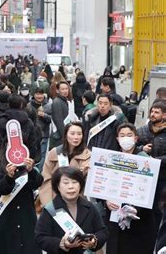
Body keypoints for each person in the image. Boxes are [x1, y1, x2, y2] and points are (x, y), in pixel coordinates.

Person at [105, 123, 155, 254]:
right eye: (122, 135)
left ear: (136, 138)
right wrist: (106, 201)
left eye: (129, 135)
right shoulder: (112, 158)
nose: (125, 138)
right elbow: (101, 186)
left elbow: (150, 190)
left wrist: (135, 208)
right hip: (114, 215)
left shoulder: (145, 160)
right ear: (117, 139)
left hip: (139, 220)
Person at [35, 167, 108, 254]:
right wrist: (62, 243)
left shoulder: (89, 207)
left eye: (75, 182)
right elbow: (40, 237)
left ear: (80, 185)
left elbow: (102, 231)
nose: (71, 186)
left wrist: (94, 241)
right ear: (58, 186)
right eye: (66, 183)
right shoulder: (51, 209)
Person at [0, 149, 43, 254]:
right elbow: (2, 189)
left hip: (26, 218)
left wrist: (31, 171)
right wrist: (9, 177)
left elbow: (37, 183)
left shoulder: (28, 168)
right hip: (5, 219)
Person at [39, 122, 91, 206]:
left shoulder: (88, 155)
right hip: (56, 200)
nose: (76, 137)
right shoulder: (54, 153)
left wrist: (83, 173)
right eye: (72, 133)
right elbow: (46, 179)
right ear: (66, 135)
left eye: (79, 134)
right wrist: (48, 203)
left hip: (78, 203)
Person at [137, 100, 166, 233]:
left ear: (164, 115)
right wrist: (142, 148)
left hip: (161, 178)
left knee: (157, 210)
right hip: (142, 177)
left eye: (156, 112)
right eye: (152, 111)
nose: (153, 114)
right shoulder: (142, 131)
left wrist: (155, 161)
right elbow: (130, 147)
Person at [26, 87, 52, 172]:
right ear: (33, 95)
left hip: (44, 134)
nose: (39, 96)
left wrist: (44, 115)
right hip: (32, 135)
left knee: (43, 155)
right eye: (37, 94)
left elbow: (52, 119)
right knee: (32, 154)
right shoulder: (29, 105)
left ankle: (39, 172)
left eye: (41, 94)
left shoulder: (48, 105)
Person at [50, 81, 72, 149]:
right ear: (57, 90)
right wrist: (65, 136)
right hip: (59, 136)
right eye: (62, 89)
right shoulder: (57, 102)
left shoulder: (65, 101)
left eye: (66, 89)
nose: (65, 91)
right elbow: (58, 121)